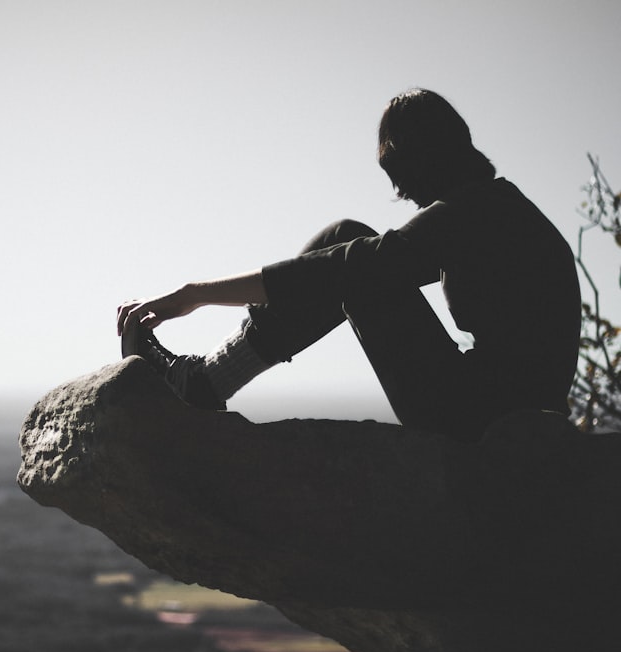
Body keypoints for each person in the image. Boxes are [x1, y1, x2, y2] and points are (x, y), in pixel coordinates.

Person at [116, 88, 581, 442]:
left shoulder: (476, 212)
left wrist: (195, 294)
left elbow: (346, 266)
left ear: (425, 159)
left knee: (349, 246)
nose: (409, 199)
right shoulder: (498, 209)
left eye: (404, 182)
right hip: (504, 408)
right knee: (356, 258)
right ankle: (207, 379)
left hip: (487, 417)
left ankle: (205, 381)